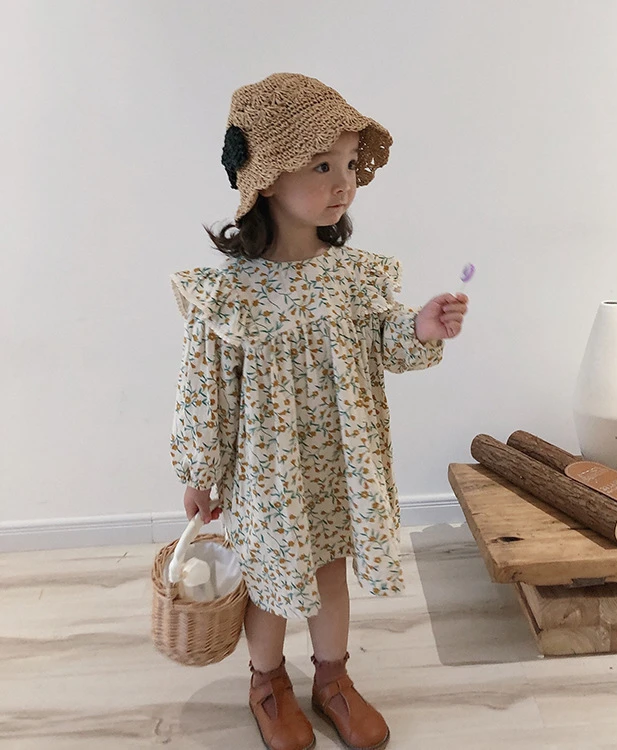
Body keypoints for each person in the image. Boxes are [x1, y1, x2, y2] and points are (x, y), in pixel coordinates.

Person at [170, 73, 469, 750]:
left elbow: (386, 344)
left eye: (350, 165)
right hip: (268, 476)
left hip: (339, 465)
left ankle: (333, 677)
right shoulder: (232, 294)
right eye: (322, 166)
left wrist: (420, 326)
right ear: (269, 178)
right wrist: (199, 471)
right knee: (272, 583)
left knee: (331, 573)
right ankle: (267, 681)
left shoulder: (355, 277)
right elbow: (205, 391)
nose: (344, 184)